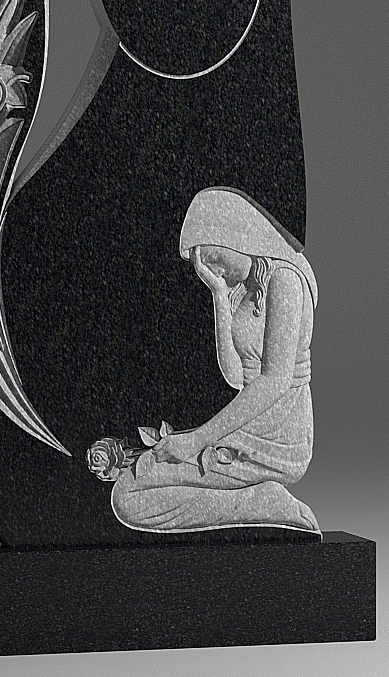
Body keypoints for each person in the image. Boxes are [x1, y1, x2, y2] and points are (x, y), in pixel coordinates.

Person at [111, 187, 320, 534]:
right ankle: (255, 500)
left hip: (280, 435)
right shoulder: (242, 291)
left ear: (235, 234)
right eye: (202, 265)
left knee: (130, 496)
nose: (211, 269)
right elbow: (235, 376)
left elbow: (275, 380)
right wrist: (220, 297)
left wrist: (196, 440)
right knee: (128, 492)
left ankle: (265, 504)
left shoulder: (286, 279)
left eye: (212, 256)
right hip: (244, 426)